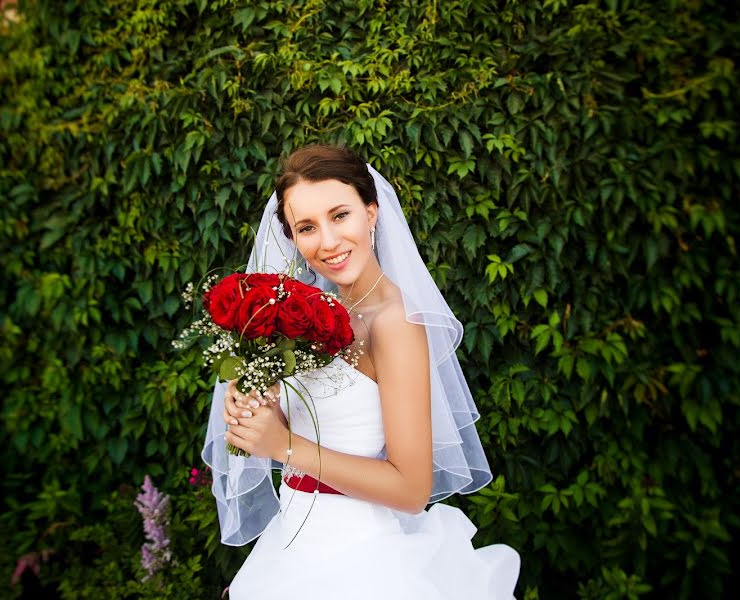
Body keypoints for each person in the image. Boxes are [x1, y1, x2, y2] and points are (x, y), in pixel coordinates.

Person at [201, 145, 520, 599]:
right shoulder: (313, 314)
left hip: (357, 556)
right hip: (294, 540)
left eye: (340, 215)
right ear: (291, 238)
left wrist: (283, 444)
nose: (327, 242)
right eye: (306, 227)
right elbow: (317, 427)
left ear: (371, 213)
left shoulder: (395, 323)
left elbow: (412, 489)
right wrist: (255, 402)